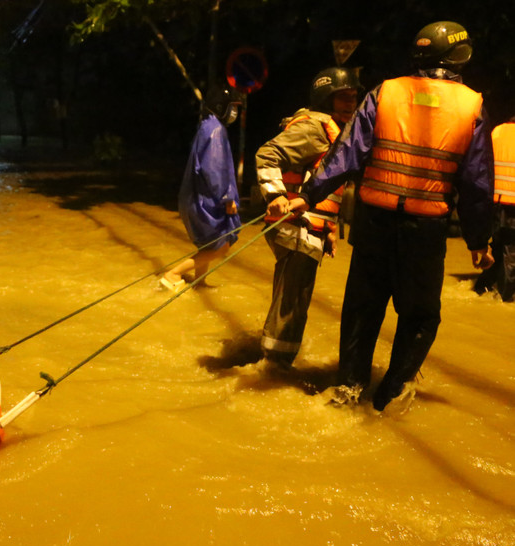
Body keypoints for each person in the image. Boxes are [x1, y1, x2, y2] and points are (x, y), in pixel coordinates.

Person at [302, 21, 495, 412]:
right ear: (460, 57)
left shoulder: (384, 93)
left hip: (373, 222)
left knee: (362, 309)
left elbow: (346, 154)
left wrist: (307, 195)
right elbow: (476, 184)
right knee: (420, 317)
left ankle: (349, 389)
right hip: (425, 230)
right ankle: (388, 398)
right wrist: (478, 241)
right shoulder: (471, 106)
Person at [254, 66, 361, 367]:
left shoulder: (334, 129)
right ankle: (272, 370)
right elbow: (267, 154)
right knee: (290, 307)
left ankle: (272, 362)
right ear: (326, 98)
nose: (351, 103)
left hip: (308, 228)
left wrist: (329, 229)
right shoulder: (315, 127)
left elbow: (327, 187)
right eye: (343, 97)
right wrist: (275, 195)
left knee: (291, 303)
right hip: (295, 227)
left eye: (353, 97)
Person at [159, 85, 243, 292]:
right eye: (232, 107)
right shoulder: (215, 130)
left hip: (194, 199)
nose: (234, 112)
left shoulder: (206, 126)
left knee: (209, 244)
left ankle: (199, 283)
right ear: (221, 106)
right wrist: (227, 198)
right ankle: (173, 274)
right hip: (205, 201)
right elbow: (214, 169)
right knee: (221, 246)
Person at [473, 116, 515, 302]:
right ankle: (505, 298)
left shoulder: (497, 131)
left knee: (499, 245)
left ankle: (482, 288)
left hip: (496, 201)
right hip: (513, 204)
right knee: (510, 252)